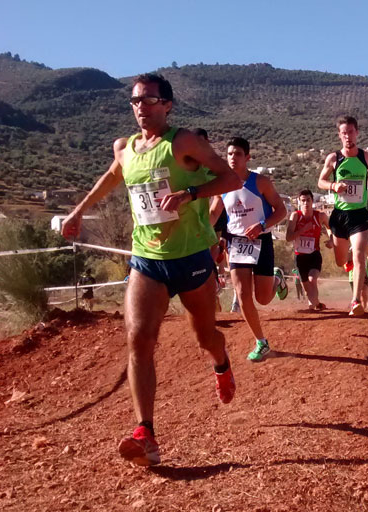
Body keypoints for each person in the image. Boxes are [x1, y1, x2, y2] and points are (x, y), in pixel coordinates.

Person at [60, 73, 242, 466]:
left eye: (149, 100)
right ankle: (146, 433)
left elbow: (232, 178)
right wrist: (78, 211)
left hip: (192, 256)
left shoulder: (184, 142)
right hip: (147, 259)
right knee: (139, 338)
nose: (140, 106)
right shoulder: (125, 148)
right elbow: (112, 176)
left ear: (167, 104)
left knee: (205, 335)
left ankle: (222, 363)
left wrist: (191, 193)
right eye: (135, 101)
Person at [210, 136, 288, 363]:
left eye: (238, 154)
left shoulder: (260, 182)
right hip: (236, 243)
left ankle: (276, 279)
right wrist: (201, 227)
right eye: (230, 154)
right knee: (243, 294)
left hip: (261, 241)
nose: (233, 158)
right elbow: (215, 213)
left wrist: (263, 225)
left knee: (262, 299)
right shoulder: (222, 184)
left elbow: (281, 210)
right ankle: (261, 342)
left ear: (247, 158)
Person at [317, 115, 368, 316]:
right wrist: (334, 185)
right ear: (340, 135)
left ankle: (355, 301)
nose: (348, 136)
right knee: (340, 261)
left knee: (359, 256)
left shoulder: (366, 156)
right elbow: (320, 181)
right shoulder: (334, 158)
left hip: (359, 215)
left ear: (357, 133)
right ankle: (343, 254)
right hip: (339, 215)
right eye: (344, 133)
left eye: (351, 132)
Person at [285, 190, 332, 310]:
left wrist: (331, 239)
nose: (306, 203)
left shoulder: (320, 216)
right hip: (300, 256)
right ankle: (317, 304)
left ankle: (313, 305)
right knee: (306, 288)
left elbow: (330, 228)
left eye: (308, 200)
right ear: (299, 202)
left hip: (314, 254)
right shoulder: (295, 216)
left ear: (312, 201)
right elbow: (288, 237)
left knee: (312, 279)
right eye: (303, 200)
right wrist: (303, 230)